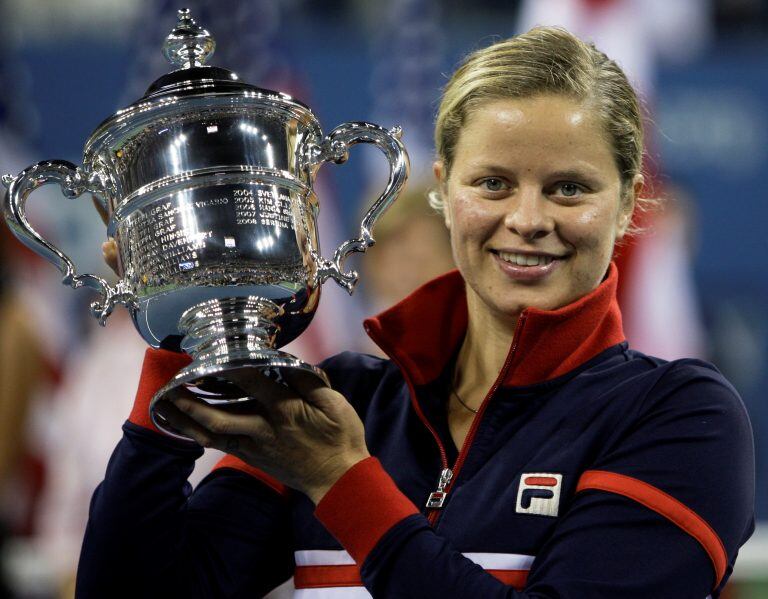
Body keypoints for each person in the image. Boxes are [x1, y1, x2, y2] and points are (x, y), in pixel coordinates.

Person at [76, 27, 754, 598]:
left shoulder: (680, 418)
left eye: (568, 188)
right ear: (444, 191)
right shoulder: (341, 404)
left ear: (630, 201)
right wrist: (180, 322)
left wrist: (340, 483)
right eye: (492, 183)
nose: (527, 219)